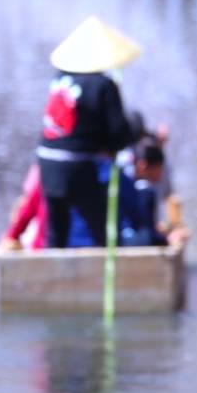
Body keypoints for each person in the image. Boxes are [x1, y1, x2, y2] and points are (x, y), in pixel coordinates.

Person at [36, 15, 141, 248]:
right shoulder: (103, 84)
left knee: (57, 232)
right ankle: (107, 277)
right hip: (78, 164)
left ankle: (54, 276)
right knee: (103, 231)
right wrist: (131, 134)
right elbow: (117, 133)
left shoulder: (60, 78)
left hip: (47, 162)